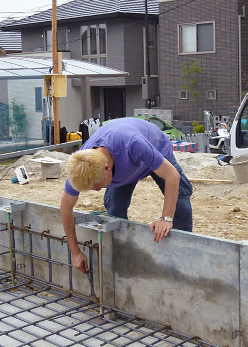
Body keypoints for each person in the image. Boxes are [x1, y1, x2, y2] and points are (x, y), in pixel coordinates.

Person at [60, 117, 193, 274]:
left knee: (180, 204)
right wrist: (75, 253)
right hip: (126, 165)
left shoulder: (133, 144)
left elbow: (172, 176)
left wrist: (166, 219)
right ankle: (122, 260)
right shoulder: (82, 166)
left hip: (155, 148)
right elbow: (66, 208)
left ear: (107, 169)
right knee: (115, 211)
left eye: (97, 186)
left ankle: (184, 256)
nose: (95, 190)